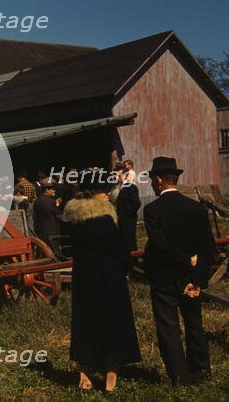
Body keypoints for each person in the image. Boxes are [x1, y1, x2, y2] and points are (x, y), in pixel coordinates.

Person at [63, 171, 141, 392]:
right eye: (102, 189)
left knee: (85, 322)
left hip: (84, 277)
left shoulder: (74, 218)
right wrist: (127, 266)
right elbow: (119, 249)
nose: (107, 192)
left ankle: (84, 374)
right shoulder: (104, 219)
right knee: (112, 323)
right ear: (91, 192)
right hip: (108, 277)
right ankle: (110, 376)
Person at [143, 157, 214, 386]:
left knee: (169, 328)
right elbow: (207, 246)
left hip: (164, 279)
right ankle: (201, 370)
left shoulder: (152, 210)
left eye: (154, 180)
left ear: (160, 180)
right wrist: (197, 277)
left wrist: (184, 262)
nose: (153, 185)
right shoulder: (197, 209)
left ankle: (180, 376)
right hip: (191, 280)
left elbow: (161, 246)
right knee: (194, 324)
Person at [114, 164, 141, 251]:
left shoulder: (131, 187)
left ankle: (133, 260)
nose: (118, 177)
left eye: (119, 175)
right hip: (122, 220)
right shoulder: (121, 187)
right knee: (123, 241)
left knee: (129, 242)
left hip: (128, 220)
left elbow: (136, 203)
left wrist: (125, 215)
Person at [32, 179, 62, 246]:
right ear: (47, 190)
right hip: (51, 231)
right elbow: (58, 214)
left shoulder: (37, 201)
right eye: (52, 189)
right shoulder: (51, 202)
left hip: (40, 230)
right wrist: (56, 206)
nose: (54, 191)